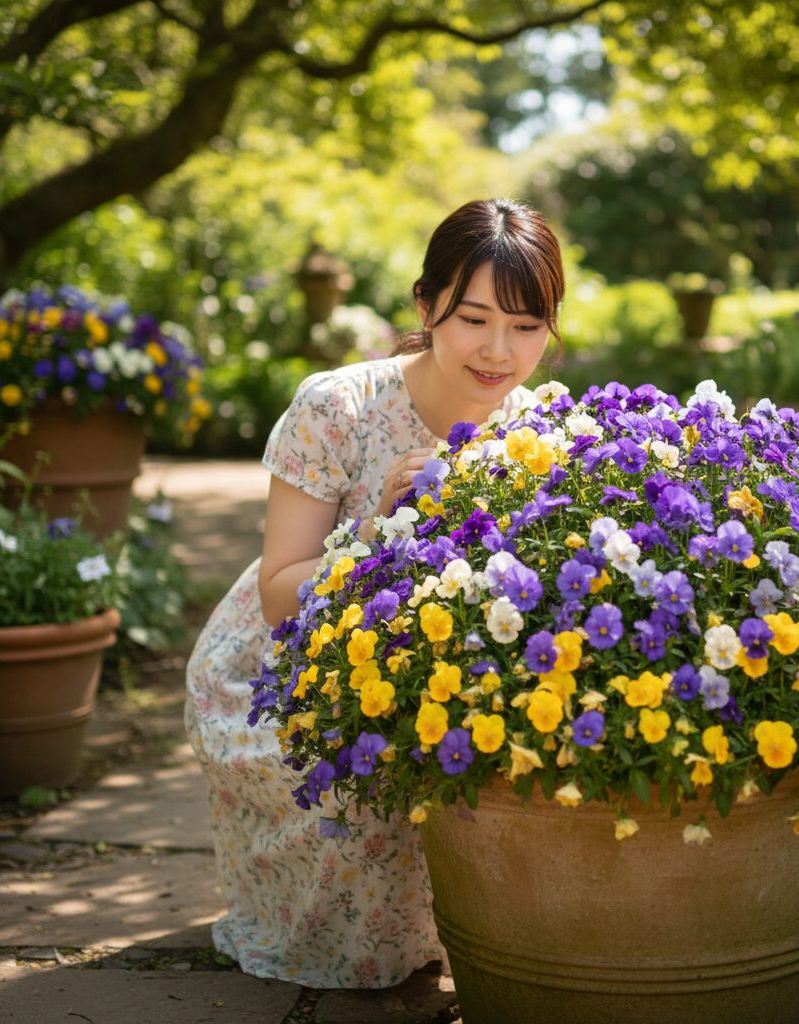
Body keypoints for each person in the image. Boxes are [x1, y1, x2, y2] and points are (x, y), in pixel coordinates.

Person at [184, 198, 565, 988]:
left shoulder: (534, 426)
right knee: (367, 803)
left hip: (439, 665)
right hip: (284, 666)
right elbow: (279, 592)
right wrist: (381, 532)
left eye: (526, 326)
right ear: (426, 307)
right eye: (473, 319)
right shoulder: (339, 408)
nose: (499, 351)